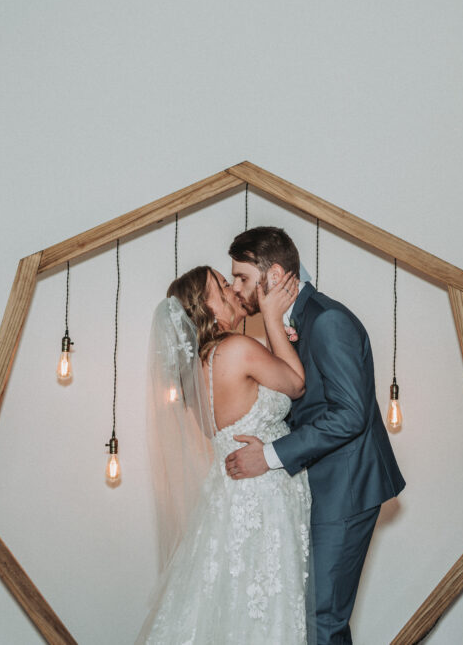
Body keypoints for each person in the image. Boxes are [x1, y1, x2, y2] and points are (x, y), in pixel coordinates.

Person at [223, 226, 405, 645]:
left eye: (242, 278)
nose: (236, 289)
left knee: (322, 620)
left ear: (275, 275)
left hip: (345, 487)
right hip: (313, 485)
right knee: (305, 616)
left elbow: (350, 415)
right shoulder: (284, 322)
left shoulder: (327, 320)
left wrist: (269, 456)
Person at [137, 266, 313, 644]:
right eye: (221, 286)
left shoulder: (194, 375)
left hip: (228, 499)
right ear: (205, 307)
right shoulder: (235, 349)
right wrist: (271, 316)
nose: (233, 290)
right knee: (264, 610)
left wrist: (278, 336)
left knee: (225, 606)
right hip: (263, 499)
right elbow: (296, 384)